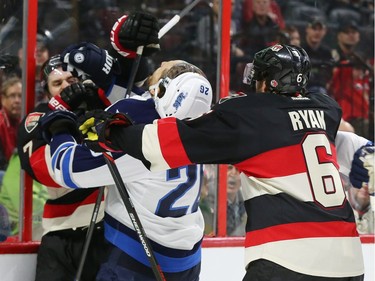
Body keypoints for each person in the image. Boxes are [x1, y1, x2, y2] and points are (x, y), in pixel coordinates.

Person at [80, 44, 365, 280]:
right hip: (350, 258)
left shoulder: (250, 115)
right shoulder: (327, 110)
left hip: (288, 258)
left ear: (266, 82)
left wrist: (112, 130)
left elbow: (168, 143)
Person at [40, 61, 212, 280]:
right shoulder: (201, 122)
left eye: (165, 66)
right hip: (188, 260)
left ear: (164, 87)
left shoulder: (140, 119)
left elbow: (67, 169)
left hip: (136, 257)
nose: (160, 63)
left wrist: (61, 129)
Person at [17, 55, 109, 281]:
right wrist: (60, 111)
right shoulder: (38, 118)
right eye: (57, 84)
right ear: (47, 92)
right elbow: (43, 171)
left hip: (104, 233)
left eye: (71, 80)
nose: (67, 87)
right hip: (59, 236)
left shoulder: (101, 110)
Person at [329, 20, 372, 139]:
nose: (351, 35)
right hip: (347, 116)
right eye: (347, 32)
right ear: (339, 35)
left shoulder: (365, 63)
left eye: (354, 32)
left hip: (364, 115)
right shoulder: (334, 59)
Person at [301, 17, 335, 95]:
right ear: (307, 29)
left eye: (320, 29)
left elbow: (328, 74)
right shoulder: (300, 50)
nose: (317, 32)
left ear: (325, 31)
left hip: (320, 88)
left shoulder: (327, 53)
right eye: (314, 28)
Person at [0, 76, 22, 185]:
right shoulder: (1, 123)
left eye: (20, 96)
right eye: (13, 96)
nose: (17, 101)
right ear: (3, 99)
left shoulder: (23, 122)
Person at [226, 164, 246, 236]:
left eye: (238, 169)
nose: (233, 173)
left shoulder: (248, 203)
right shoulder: (208, 202)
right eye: (229, 168)